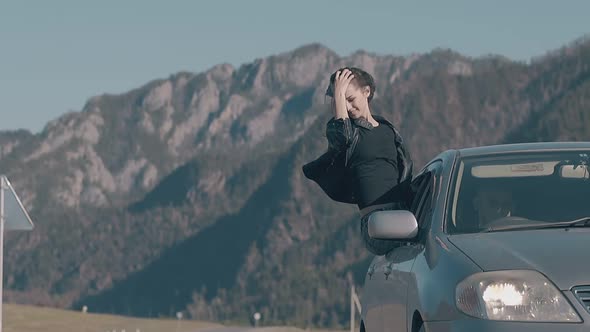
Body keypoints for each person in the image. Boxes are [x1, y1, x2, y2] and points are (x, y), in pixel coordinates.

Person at [302, 67, 413, 255]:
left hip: (406, 216)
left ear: (366, 92)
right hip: (377, 225)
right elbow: (342, 137)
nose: (347, 107)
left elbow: (406, 169)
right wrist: (338, 93)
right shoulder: (346, 133)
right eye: (341, 101)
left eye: (350, 99)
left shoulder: (388, 129)